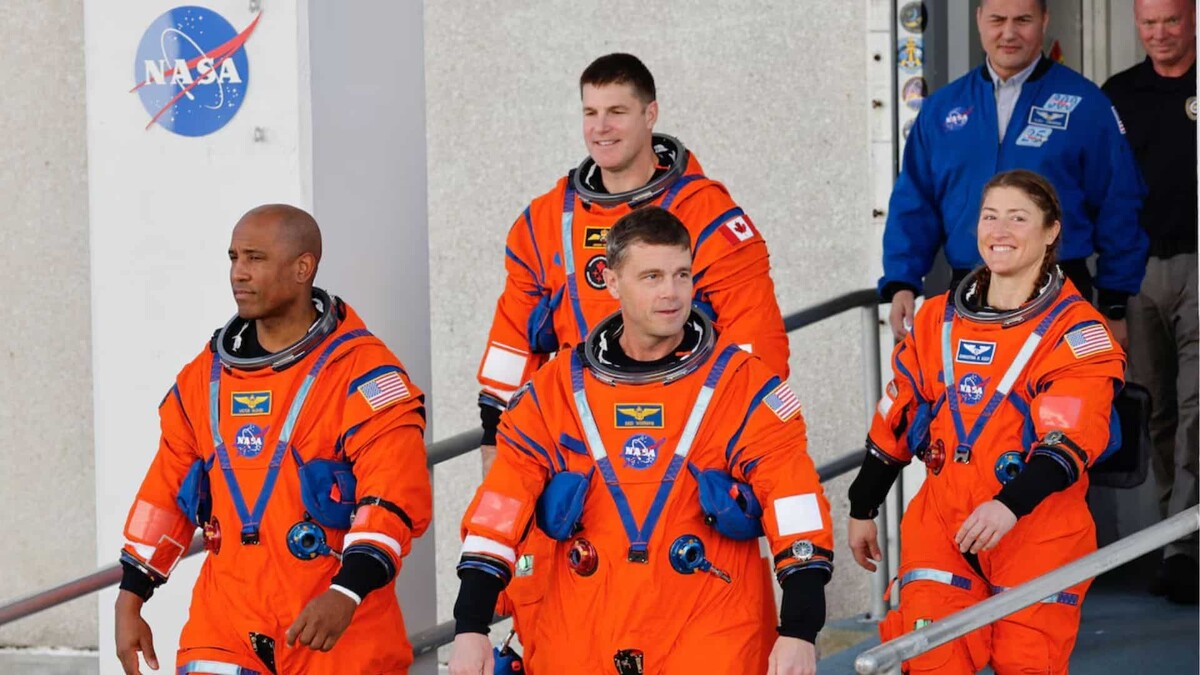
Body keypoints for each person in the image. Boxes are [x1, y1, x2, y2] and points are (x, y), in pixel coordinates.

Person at [474, 51, 791, 651]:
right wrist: (496, 433)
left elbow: (758, 345)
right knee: (559, 617)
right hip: (577, 439)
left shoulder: (707, 216)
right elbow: (511, 336)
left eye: (617, 111)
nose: (601, 127)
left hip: (685, 438)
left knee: (690, 611)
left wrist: (745, 437)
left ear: (650, 115)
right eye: (590, 112)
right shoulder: (545, 221)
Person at [450, 208, 832, 675]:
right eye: (651, 276)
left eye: (682, 274)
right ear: (611, 282)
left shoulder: (743, 386)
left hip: (712, 636)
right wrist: (470, 625)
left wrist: (799, 630)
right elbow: (500, 507)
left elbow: (795, 503)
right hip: (583, 638)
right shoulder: (556, 392)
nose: (671, 292)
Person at [114, 205, 432, 675]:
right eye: (233, 257)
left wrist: (347, 591)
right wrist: (131, 595)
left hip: (333, 625)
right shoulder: (204, 378)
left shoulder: (362, 374)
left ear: (303, 268)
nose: (238, 273)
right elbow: (164, 492)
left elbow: (393, 494)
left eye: (255, 258)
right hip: (224, 627)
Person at [848, 170, 1125, 673]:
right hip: (943, 527)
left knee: (1027, 663)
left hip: (1035, 532)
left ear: (1051, 231)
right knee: (930, 660)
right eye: (989, 216)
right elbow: (898, 414)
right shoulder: (937, 320)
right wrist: (862, 504)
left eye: (1018, 219)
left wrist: (1008, 506)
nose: (999, 231)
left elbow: (1067, 441)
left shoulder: (1075, 332)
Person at [879, 0, 1147, 346]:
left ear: (1044, 21)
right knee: (970, 384)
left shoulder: (1085, 103)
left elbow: (1119, 203)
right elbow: (914, 202)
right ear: (979, 20)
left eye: (1022, 20)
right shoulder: (942, 109)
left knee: (1059, 384)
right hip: (969, 294)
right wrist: (902, 282)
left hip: (1059, 293)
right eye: (997, 20)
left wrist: (1114, 303)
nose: (1008, 33)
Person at [1102, 0, 1198, 605]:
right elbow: (1100, 186)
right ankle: (1176, 537)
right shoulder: (1118, 95)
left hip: (1198, 263)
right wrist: (1110, 294)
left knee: (1196, 409)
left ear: (1193, 20)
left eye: (1172, 21)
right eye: (1149, 23)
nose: (1159, 34)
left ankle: (1183, 550)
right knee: (1158, 410)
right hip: (1137, 272)